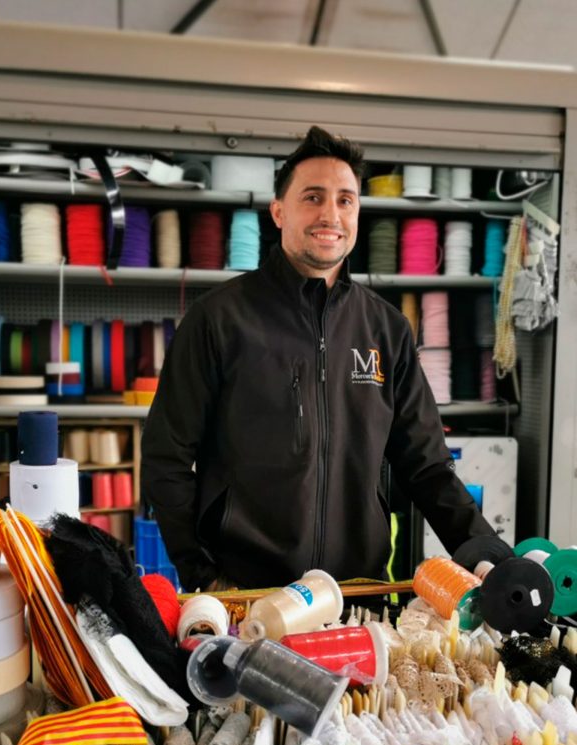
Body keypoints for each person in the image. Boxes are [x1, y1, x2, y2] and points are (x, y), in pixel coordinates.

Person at [141, 125, 497, 592]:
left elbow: (427, 466)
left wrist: (488, 556)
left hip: (358, 592)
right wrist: (201, 573)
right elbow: (165, 457)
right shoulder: (219, 320)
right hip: (247, 593)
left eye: (345, 200)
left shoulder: (386, 329)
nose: (331, 213)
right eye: (313, 197)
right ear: (278, 211)